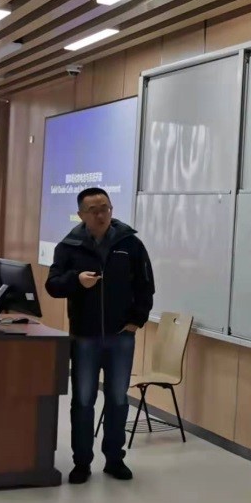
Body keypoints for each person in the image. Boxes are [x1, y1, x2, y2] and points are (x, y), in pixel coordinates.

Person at [46, 188, 155, 484]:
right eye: (93, 210)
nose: (101, 214)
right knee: (83, 400)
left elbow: (146, 286)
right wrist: (76, 280)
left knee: (118, 399)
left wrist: (136, 320)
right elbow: (53, 285)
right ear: (81, 214)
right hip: (85, 337)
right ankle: (82, 462)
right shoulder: (69, 246)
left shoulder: (130, 244)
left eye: (105, 208)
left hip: (121, 336)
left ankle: (114, 459)